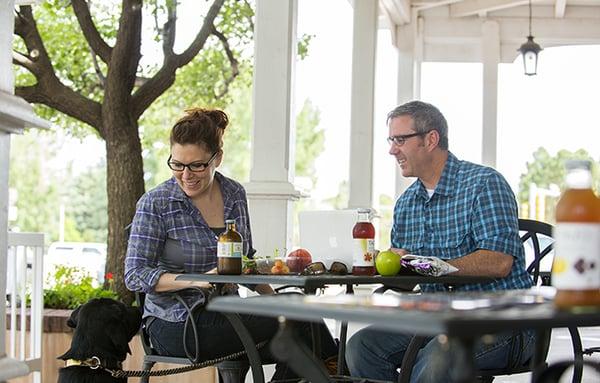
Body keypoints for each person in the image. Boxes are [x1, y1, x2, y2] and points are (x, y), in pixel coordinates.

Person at [125, 107, 338, 379]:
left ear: (218, 159)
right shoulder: (155, 204)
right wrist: (197, 280)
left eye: (197, 165)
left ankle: (330, 362)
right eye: (177, 164)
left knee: (299, 315)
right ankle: (337, 365)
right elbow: (134, 275)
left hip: (228, 313)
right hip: (176, 322)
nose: (186, 174)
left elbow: (244, 259)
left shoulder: (233, 193)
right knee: (306, 333)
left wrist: (276, 301)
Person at [346, 101, 535, 383]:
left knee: (437, 357)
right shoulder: (406, 204)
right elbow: (409, 279)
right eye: (391, 140)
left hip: (503, 320)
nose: (391, 149)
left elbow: (499, 262)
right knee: (362, 347)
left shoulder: (484, 184)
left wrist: (434, 266)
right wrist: (392, 264)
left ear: (431, 139)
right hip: (433, 319)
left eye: (400, 139)